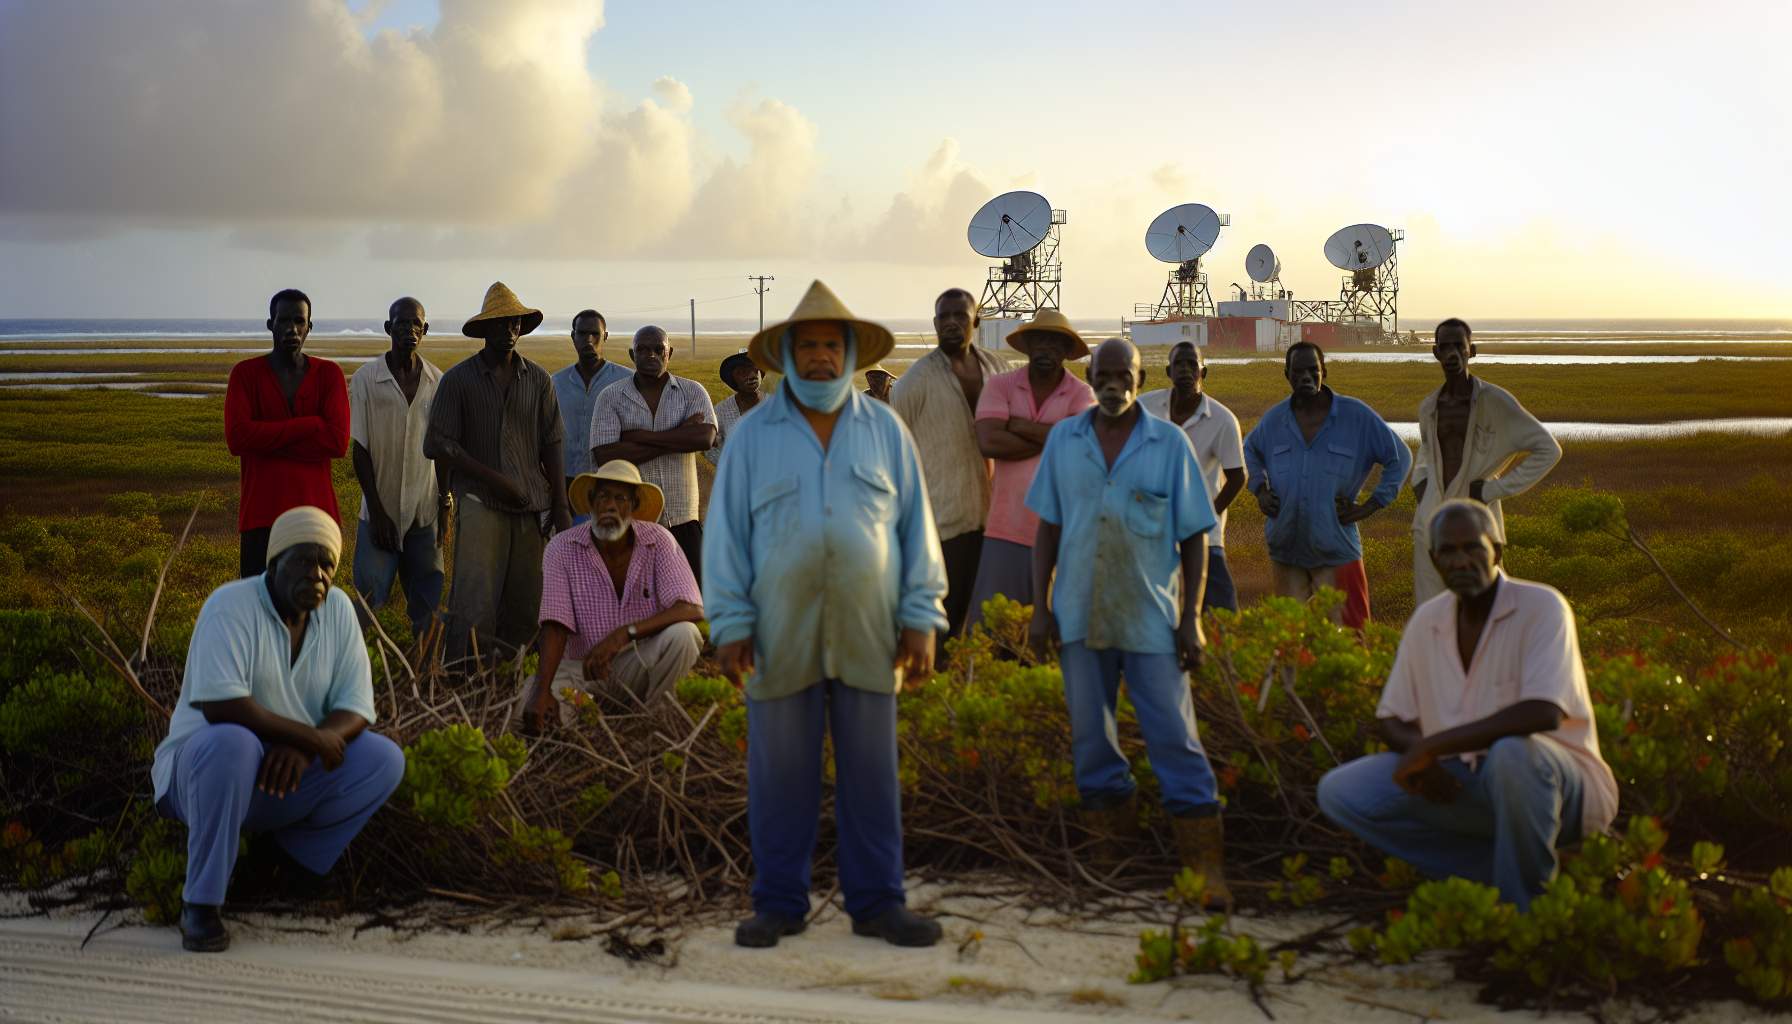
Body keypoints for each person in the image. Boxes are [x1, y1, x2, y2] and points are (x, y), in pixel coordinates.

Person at [704, 280, 948, 949]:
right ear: (786, 354)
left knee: (872, 775)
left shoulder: (885, 431)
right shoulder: (753, 436)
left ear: (847, 355)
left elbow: (914, 530)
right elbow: (725, 537)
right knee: (780, 775)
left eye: (829, 346)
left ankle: (877, 904)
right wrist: (729, 624)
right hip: (778, 632)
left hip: (870, 631)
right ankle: (778, 902)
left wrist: (921, 617)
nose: (818, 357)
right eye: (806, 345)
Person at [1318, 499, 1617, 910]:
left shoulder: (1542, 607)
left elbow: (1543, 711)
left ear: (1497, 550)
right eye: (1448, 552)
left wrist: (1432, 747)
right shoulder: (1428, 620)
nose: (1461, 561)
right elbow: (1391, 718)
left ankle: (1525, 907)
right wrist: (1425, 759)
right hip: (1466, 779)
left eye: (1472, 548)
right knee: (1340, 791)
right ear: (1433, 559)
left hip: (1562, 789)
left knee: (1513, 754)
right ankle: (1493, 872)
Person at [1025, 338, 1230, 907]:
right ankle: (1111, 864)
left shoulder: (1169, 444)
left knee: (1174, 738)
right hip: (1078, 616)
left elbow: (1195, 537)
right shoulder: (1065, 440)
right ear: (1089, 376)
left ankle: (1204, 870)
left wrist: (1192, 619)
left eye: (1125, 375)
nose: (1113, 384)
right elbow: (1047, 529)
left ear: (1142, 379)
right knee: (1092, 741)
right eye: (1103, 375)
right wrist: (1040, 608)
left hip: (1152, 621)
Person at [152, 507, 405, 952]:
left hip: (276, 778)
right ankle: (201, 905)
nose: (317, 573)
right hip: (200, 778)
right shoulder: (229, 605)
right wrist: (309, 738)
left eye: (327, 563)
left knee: (382, 760)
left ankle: (287, 870)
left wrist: (306, 750)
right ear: (273, 563)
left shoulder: (339, 611)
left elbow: (356, 706)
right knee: (233, 742)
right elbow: (221, 705)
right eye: (304, 561)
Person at [423, 282, 571, 663]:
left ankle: (512, 673)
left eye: (514, 324)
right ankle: (464, 673)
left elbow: (552, 443)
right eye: (501, 324)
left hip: (529, 505)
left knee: (526, 597)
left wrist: (560, 505)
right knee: (475, 596)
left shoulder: (538, 379)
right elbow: (436, 444)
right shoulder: (458, 380)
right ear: (485, 329)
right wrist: (495, 480)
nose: (508, 331)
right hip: (480, 501)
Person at [521, 461, 704, 730]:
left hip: (640, 664)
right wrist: (542, 688)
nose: (610, 506)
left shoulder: (660, 540)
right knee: (525, 707)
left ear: (633, 506)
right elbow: (554, 626)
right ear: (591, 502)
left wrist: (623, 635)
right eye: (604, 496)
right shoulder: (561, 548)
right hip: (583, 671)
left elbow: (692, 608)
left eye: (620, 498)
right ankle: (589, 719)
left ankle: (651, 721)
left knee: (685, 635)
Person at [1243, 342, 1411, 624]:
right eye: (1298, 372)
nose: (1306, 378)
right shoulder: (1274, 420)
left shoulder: (1355, 416)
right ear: (1287, 375)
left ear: (1325, 372)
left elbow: (1400, 457)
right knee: (1286, 639)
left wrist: (1370, 505)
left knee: (1351, 638)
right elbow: (1250, 448)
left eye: (1313, 370)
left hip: (1336, 550)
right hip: (1287, 551)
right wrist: (1259, 489)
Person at [1410, 319, 1561, 605]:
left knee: (1485, 600)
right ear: (1435, 352)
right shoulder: (1429, 406)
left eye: (1459, 346)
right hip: (1430, 515)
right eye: (1445, 347)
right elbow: (1428, 449)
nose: (1452, 353)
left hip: (1477, 514)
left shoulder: (1494, 401)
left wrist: (1492, 491)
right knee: (1429, 606)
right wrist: (1420, 481)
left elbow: (1547, 449)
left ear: (1472, 351)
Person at [889, 287, 1007, 651]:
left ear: (976, 320)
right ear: (935, 323)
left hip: (996, 517)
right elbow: (895, 450)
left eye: (960, 315)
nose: (952, 323)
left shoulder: (998, 369)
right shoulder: (916, 380)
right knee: (942, 618)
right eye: (944, 317)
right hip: (942, 517)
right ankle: (930, 688)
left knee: (989, 616)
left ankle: (972, 685)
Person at [967, 309, 1095, 629]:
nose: (1045, 348)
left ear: (1067, 351)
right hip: (1005, 527)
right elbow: (989, 443)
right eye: (1039, 340)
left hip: (1063, 532)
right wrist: (1057, 436)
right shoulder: (1000, 386)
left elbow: (1080, 451)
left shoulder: (1082, 395)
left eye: (1055, 343)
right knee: (993, 629)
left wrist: (1017, 425)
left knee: (1054, 635)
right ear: (1027, 345)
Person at [224, 289, 350, 577]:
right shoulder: (245, 375)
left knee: (314, 609)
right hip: (261, 516)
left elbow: (337, 442)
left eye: (299, 321)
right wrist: (311, 425)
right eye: (283, 321)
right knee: (259, 607)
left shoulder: (329, 374)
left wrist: (266, 438)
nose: (291, 329)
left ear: (309, 327)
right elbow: (238, 438)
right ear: (270, 324)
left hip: (316, 516)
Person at [348, 296, 448, 639]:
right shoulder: (365, 380)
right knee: (368, 603)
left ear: (425, 330)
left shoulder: (437, 382)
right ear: (389, 328)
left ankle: (423, 675)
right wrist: (376, 512)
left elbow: (444, 452)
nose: (409, 330)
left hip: (425, 512)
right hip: (379, 513)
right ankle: (363, 673)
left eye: (416, 324)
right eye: (401, 323)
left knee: (429, 604)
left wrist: (445, 504)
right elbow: (359, 449)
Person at [588, 326, 717, 583]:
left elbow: (705, 438)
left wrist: (639, 437)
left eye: (659, 349)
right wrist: (680, 435)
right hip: (632, 520)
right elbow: (605, 456)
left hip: (683, 517)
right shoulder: (611, 397)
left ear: (670, 352)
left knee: (692, 600)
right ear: (631, 354)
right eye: (643, 349)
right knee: (636, 597)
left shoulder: (693, 392)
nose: (651, 355)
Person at [1139, 341, 1247, 612]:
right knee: (1155, 612)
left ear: (1204, 373)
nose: (1186, 370)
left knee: (1220, 612)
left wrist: (1209, 514)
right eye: (1179, 364)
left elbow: (1237, 476)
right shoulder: (1145, 408)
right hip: (1152, 530)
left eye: (1192, 364)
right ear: (1168, 371)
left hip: (1203, 535)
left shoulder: (1222, 420)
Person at [551, 309, 634, 523]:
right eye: (582, 333)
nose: (588, 340)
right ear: (573, 337)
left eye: (595, 334)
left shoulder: (627, 382)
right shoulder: (555, 383)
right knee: (570, 548)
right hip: (565, 483)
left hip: (611, 482)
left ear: (605, 336)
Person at [705, 350, 763, 466]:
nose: (751, 376)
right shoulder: (720, 412)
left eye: (755, 369)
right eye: (742, 372)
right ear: (733, 379)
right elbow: (709, 448)